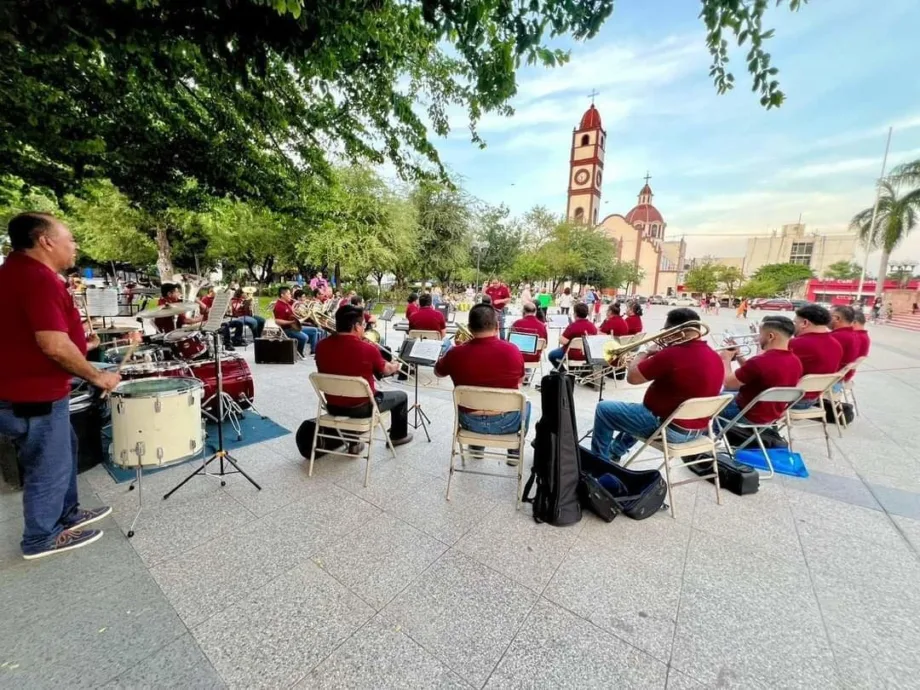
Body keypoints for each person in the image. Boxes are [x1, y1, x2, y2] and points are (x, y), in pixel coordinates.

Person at [0, 213, 121, 559]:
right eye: (70, 239)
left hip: (27, 391)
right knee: (47, 463)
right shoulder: (38, 278)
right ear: (45, 241)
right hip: (32, 395)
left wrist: (83, 344)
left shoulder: (15, 273)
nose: (75, 246)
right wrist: (97, 376)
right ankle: (41, 537)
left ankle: (66, 515)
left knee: (62, 448)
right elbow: (52, 345)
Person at [590, 308, 724, 463]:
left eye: (666, 330)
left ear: (674, 330)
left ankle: (598, 462)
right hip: (698, 429)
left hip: (667, 428)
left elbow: (632, 378)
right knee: (637, 409)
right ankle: (616, 451)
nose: (664, 335)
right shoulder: (714, 356)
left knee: (604, 409)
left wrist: (644, 353)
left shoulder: (672, 354)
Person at [435, 304, 529, 465]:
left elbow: (438, 372)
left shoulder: (455, 353)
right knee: (526, 404)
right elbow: (520, 381)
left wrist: (455, 349)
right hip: (508, 423)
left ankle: (477, 447)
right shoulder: (513, 350)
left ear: (470, 328)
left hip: (468, 422)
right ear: (497, 325)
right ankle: (513, 452)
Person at [314, 305, 412, 452]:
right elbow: (385, 371)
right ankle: (398, 437)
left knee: (350, 392)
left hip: (333, 405)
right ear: (356, 326)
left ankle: (354, 443)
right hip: (362, 409)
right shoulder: (368, 349)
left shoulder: (320, 346)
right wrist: (396, 366)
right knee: (401, 396)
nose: (364, 329)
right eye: (363, 325)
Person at [717, 316, 803, 425]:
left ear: (770, 336)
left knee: (710, 404)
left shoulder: (761, 361)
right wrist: (738, 355)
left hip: (746, 414)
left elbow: (728, 383)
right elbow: (756, 373)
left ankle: (712, 437)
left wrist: (725, 359)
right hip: (771, 415)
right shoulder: (796, 361)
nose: (758, 338)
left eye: (760, 334)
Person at [789, 304, 843, 408]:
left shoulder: (797, 343)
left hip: (794, 400)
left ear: (804, 323)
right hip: (815, 398)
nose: (793, 326)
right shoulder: (836, 344)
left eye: (795, 322)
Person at [548, 302, 597, 369]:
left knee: (551, 355)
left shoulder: (573, 326)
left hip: (571, 354)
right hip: (587, 354)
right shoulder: (592, 326)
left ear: (575, 314)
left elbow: (563, 341)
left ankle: (563, 372)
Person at [273, 286, 319, 356]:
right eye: (288, 294)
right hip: (287, 329)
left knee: (314, 330)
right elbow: (277, 321)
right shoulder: (279, 306)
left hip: (294, 326)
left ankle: (313, 351)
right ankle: (298, 353)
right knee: (304, 337)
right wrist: (291, 322)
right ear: (282, 295)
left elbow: (293, 314)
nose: (290, 295)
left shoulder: (287, 303)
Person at [830, 305, 861, 386]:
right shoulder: (854, 334)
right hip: (843, 377)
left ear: (837, 318)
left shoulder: (837, 337)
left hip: (833, 380)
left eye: (830, 316)